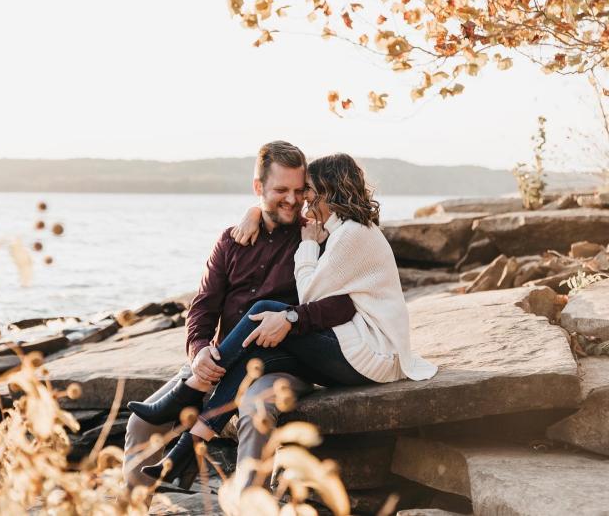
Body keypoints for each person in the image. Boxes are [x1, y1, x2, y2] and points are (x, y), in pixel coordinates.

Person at [126, 151, 438, 486]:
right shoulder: (232, 241)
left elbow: (345, 304)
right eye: (280, 191)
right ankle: (133, 504)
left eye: (300, 190)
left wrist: (290, 318)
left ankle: (249, 505)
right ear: (258, 187)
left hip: (284, 362)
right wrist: (200, 350)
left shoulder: (317, 235)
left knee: (254, 408)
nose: (293, 199)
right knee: (139, 422)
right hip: (221, 359)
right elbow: (202, 307)